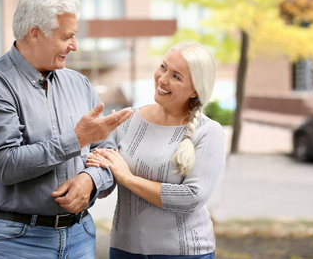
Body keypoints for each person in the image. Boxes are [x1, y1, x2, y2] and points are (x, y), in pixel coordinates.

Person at [0, 0, 132, 258]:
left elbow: (110, 154)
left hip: (80, 235)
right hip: (17, 241)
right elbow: (5, 164)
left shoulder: (79, 83)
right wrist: (77, 140)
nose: (74, 46)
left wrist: (90, 179)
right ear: (35, 34)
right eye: (67, 37)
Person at [87, 41, 226, 258]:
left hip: (184, 253)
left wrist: (128, 178)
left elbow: (192, 197)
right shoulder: (127, 120)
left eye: (176, 76)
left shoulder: (208, 132)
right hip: (125, 248)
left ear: (194, 90)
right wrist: (90, 168)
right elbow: (104, 182)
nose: (162, 79)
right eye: (163, 67)